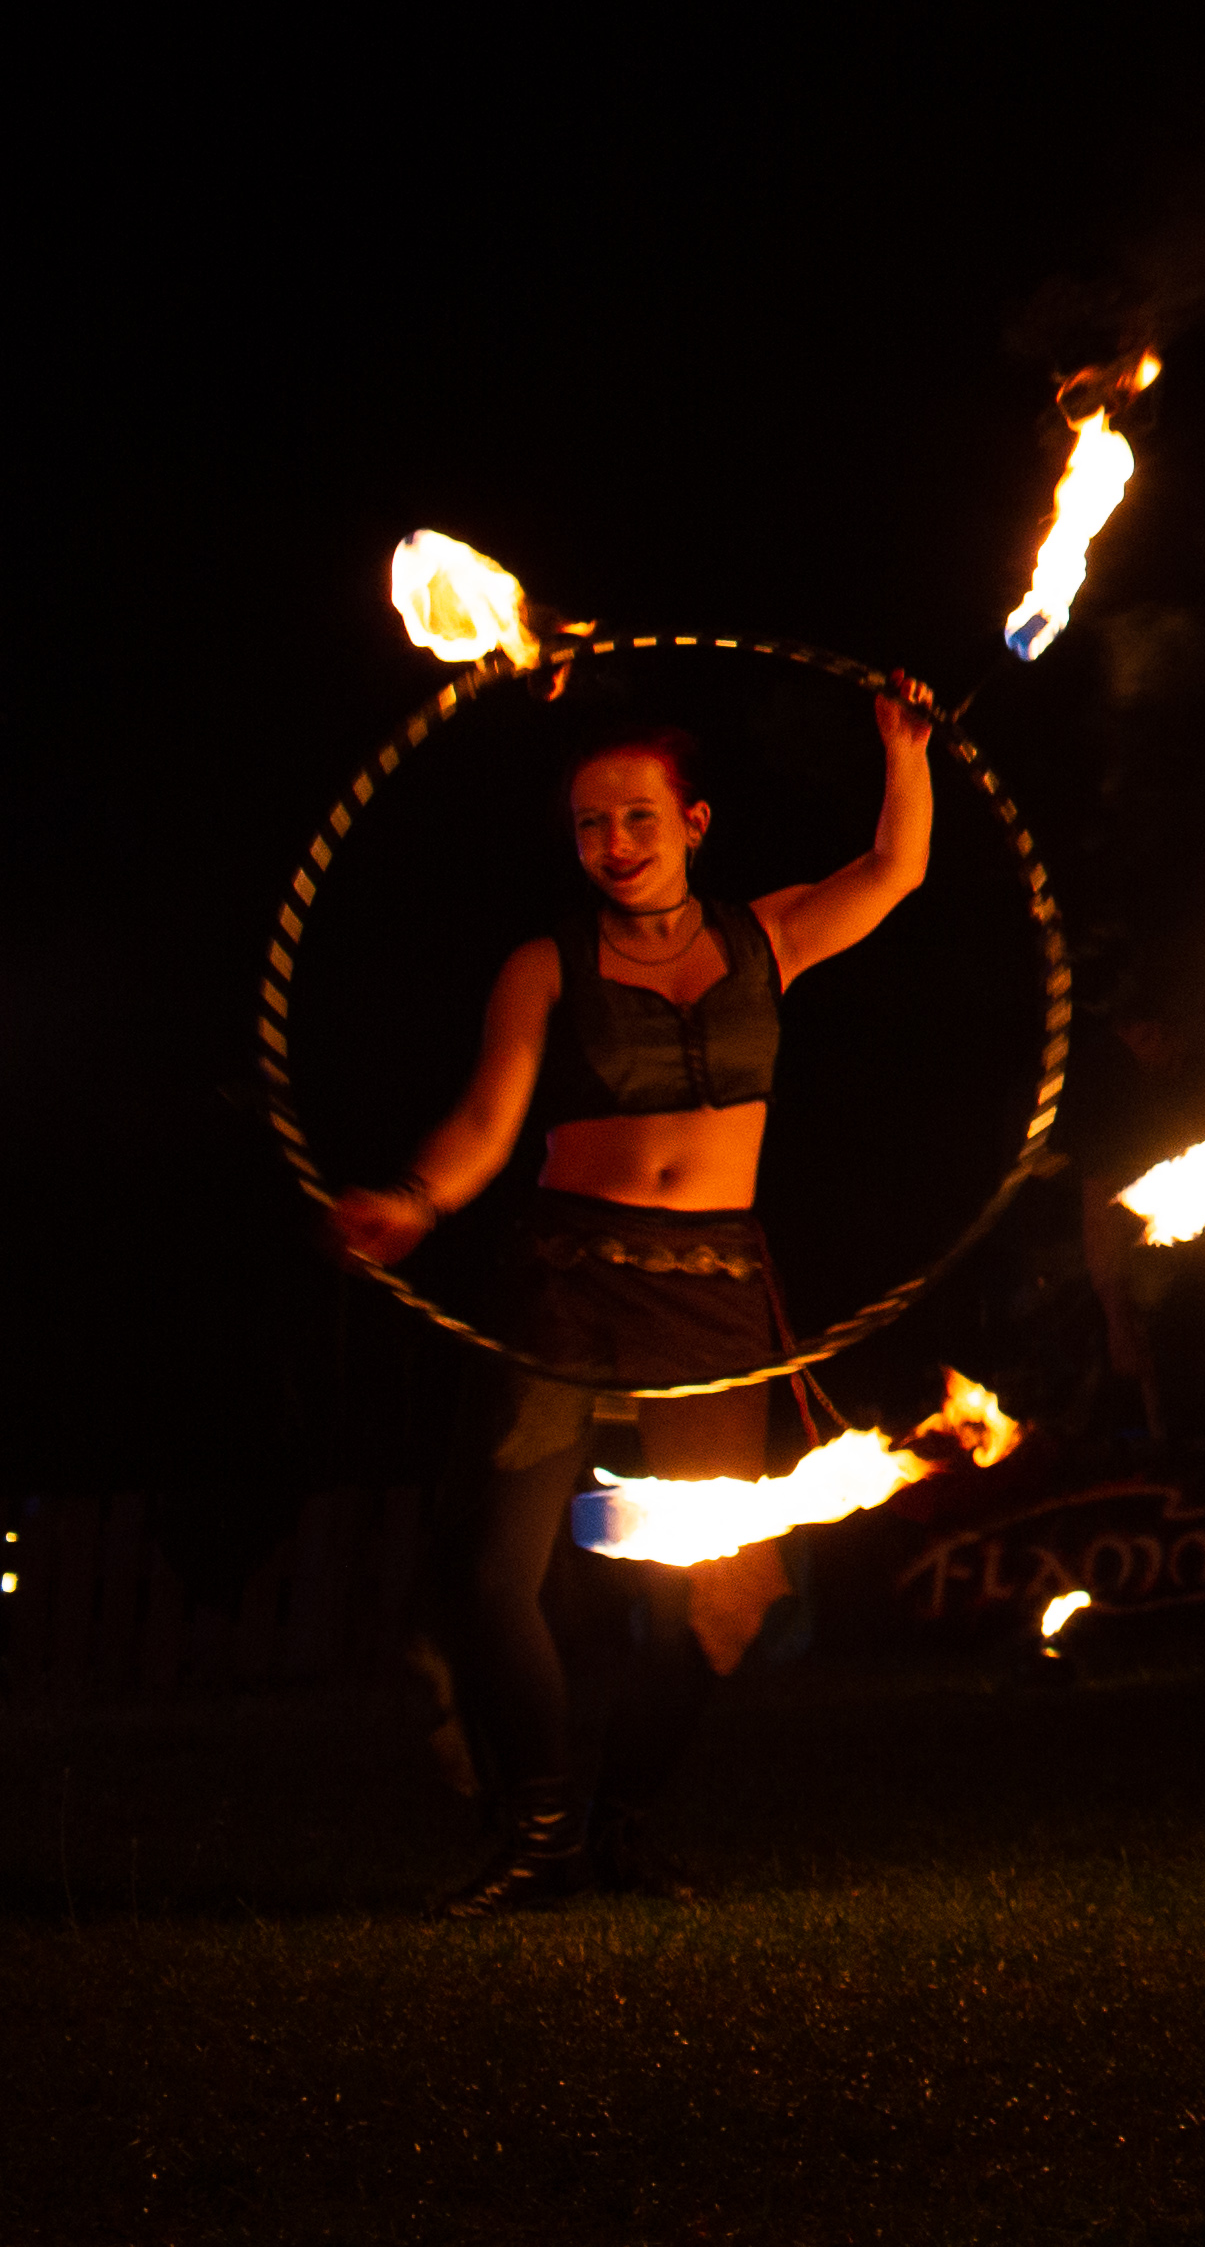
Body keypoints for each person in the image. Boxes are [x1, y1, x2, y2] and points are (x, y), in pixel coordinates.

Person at [331, 687, 934, 1914]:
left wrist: (903, 751)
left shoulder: (769, 937)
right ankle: (540, 1832)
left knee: (723, 1592)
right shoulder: (546, 964)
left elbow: (894, 871)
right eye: (590, 823)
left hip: (711, 1297)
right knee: (493, 1569)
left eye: (639, 817)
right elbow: (488, 1122)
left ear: (694, 823)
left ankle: (623, 1827)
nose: (614, 842)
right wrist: (413, 1201)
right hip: (564, 1282)